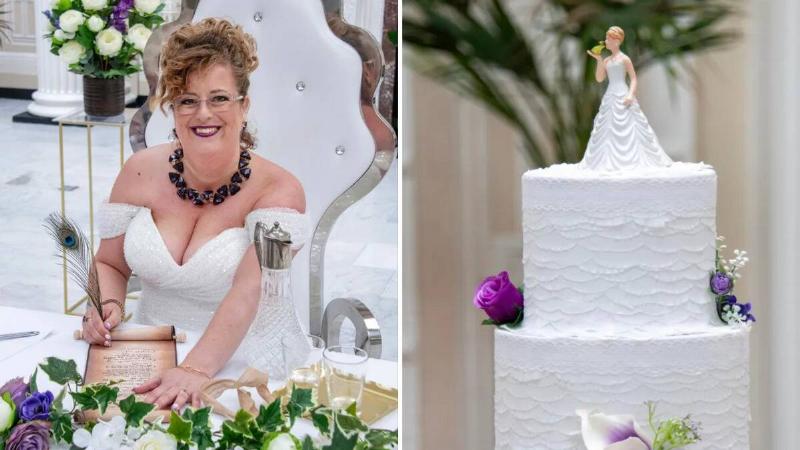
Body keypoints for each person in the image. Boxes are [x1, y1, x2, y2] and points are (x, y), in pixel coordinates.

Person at [80, 18, 309, 411]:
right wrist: (108, 306)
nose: (203, 113)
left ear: (244, 106)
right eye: (188, 100)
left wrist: (196, 370)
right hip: (145, 358)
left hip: (243, 371)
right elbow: (109, 263)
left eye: (219, 98)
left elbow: (250, 289)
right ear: (172, 108)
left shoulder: (279, 191)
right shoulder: (139, 171)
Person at [582, 26, 673, 171]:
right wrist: (599, 60)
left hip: (623, 94)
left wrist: (630, 94)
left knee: (632, 125)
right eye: (606, 38)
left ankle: (634, 158)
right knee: (608, 126)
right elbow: (599, 78)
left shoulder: (624, 59)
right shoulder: (606, 60)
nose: (606, 41)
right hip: (611, 95)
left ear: (617, 41)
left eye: (608, 38)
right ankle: (606, 160)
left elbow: (634, 78)